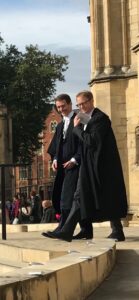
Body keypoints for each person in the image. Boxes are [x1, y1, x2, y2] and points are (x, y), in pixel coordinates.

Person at [44, 90, 128, 242]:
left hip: (102, 167)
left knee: (107, 196)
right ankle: (70, 230)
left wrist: (76, 129)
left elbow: (91, 141)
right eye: (79, 104)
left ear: (92, 101)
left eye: (83, 103)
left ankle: (116, 231)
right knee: (80, 196)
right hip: (89, 165)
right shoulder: (86, 119)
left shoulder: (100, 119)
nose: (81, 107)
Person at [42, 94, 93, 238]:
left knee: (67, 197)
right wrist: (55, 159)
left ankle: (62, 228)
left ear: (70, 104)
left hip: (76, 166)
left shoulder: (80, 119)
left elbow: (84, 143)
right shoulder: (59, 126)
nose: (61, 109)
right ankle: (86, 230)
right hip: (63, 168)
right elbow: (57, 146)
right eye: (58, 107)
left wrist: (75, 159)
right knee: (75, 198)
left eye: (63, 106)